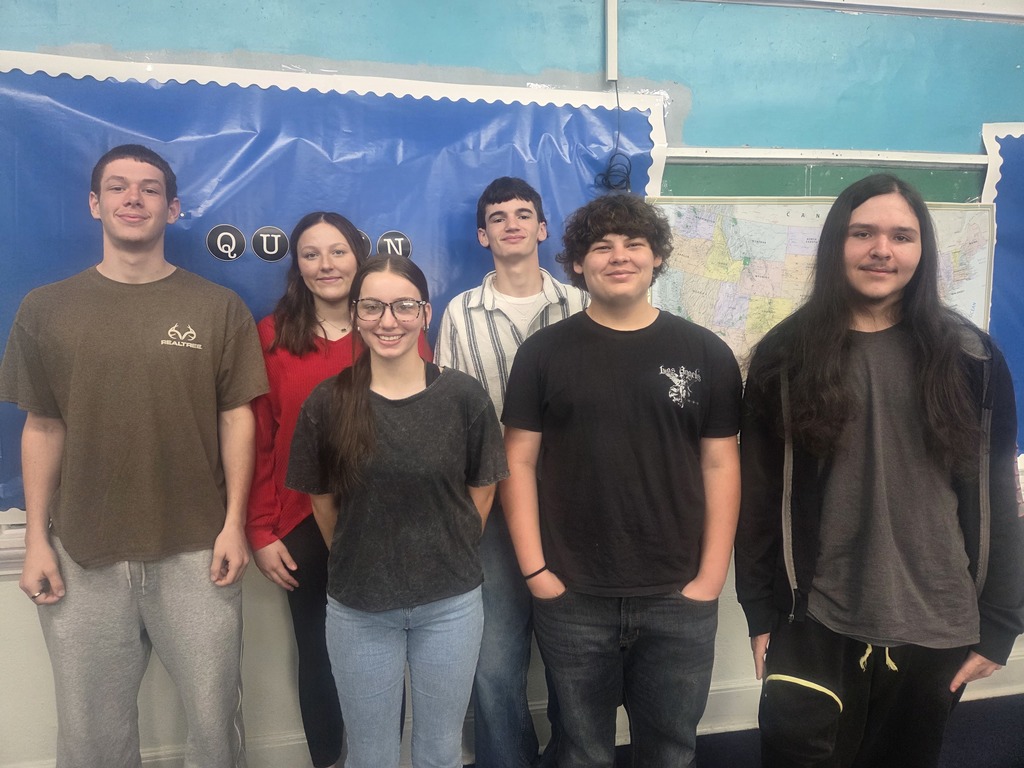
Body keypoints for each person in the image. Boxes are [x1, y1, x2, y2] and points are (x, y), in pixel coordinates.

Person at [735, 173, 1024, 768]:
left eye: (902, 236)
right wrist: (760, 612)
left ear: (923, 251)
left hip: (938, 619)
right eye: (862, 232)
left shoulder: (972, 357)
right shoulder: (784, 356)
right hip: (814, 618)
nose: (882, 250)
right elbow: (760, 495)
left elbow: (998, 494)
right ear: (836, 242)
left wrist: (1002, 621)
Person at [0, 144, 268, 767]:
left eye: (149, 189)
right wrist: (37, 539)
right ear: (94, 204)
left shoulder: (216, 307)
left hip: (198, 547)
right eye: (117, 188)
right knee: (92, 736)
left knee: (212, 726)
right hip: (83, 550)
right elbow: (42, 427)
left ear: (172, 208)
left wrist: (233, 525)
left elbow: (238, 418)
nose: (133, 199)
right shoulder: (46, 309)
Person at [501, 193, 743, 768]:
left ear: (657, 257)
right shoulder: (541, 354)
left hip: (678, 594)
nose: (619, 256)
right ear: (577, 264)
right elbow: (518, 463)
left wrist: (711, 577)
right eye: (600, 246)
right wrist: (536, 571)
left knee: (670, 749)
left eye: (634, 244)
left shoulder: (706, 352)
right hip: (572, 592)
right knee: (582, 750)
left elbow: (722, 465)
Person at [286, 255, 508, 768]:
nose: (389, 321)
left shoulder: (462, 397)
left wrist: (442, 549)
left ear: (425, 313)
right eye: (373, 307)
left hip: (450, 605)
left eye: (404, 306)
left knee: (439, 751)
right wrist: (365, 551)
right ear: (357, 315)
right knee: (371, 755)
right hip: (359, 608)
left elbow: (483, 489)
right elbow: (322, 503)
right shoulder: (328, 402)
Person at [435, 176, 587, 767]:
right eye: (498, 217)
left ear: (543, 229)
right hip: (494, 506)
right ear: (483, 235)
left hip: (576, 505)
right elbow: (451, 415)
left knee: (575, 658)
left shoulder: (581, 302)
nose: (512, 224)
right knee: (495, 663)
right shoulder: (460, 314)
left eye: (524, 214)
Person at [246, 211, 366, 768]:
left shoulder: (392, 328)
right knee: (318, 656)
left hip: (382, 523)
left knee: (380, 656)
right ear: (297, 265)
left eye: (337, 251)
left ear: (358, 255)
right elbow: (260, 440)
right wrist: (260, 529)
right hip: (298, 525)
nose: (326, 265)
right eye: (312, 254)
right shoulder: (271, 337)